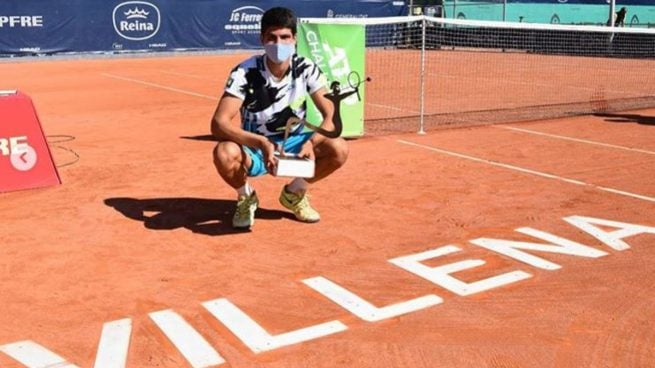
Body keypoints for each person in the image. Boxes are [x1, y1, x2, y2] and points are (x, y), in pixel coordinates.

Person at [210, 7, 349, 229]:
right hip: (255, 147)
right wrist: (261, 143)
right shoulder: (245, 72)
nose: (278, 44)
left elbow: (331, 116)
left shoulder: (306, 69)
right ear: (262, 39)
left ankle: (294, 193)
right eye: (272, 38)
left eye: (285, 37)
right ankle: (246, 197)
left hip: (294, 143)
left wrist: (311, 142)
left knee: (338, 148)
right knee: (224, 152)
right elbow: (218, 123)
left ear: (294, 38)